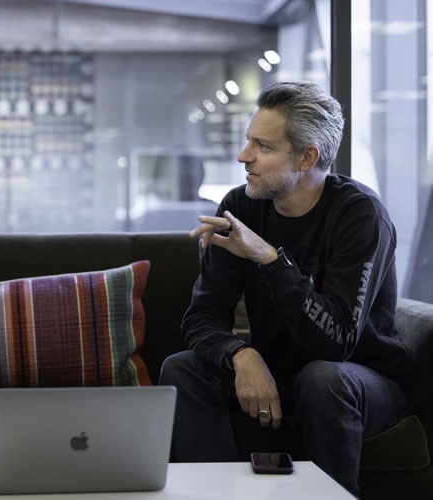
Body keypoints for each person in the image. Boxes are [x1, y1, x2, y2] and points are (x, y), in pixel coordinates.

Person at [158, 81, 412, 496]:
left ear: (307, 157)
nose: (244, 156)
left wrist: (271, 259)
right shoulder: (239, 207)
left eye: (263, 146)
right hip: (280, 373)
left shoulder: (360, 215)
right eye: (248, 141)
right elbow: (201, 318)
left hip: (362, 380)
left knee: (323, 378)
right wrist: (241, 354)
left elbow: (337, 343)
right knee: (181, 368)